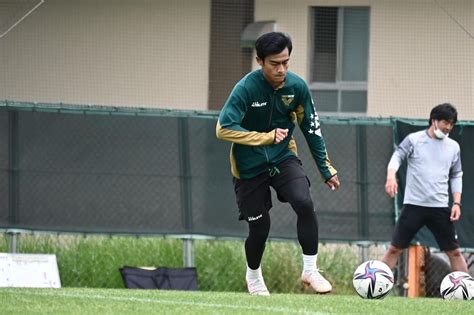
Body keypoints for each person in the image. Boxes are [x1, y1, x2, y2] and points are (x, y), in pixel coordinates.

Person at [216, 32, 340, 296]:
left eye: (286, 62)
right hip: (248, 167)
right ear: (260, 61)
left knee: (304, 202)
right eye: (275, 63)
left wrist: (325, 168)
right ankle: (254, 276)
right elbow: (223, 129)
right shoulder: (245, 89)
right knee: (260, 227)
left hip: (284, 157)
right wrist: (264, 138)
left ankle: (310, 269)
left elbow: (311, 128)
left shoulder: (297, 87)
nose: (281, 69)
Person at [382, 103, 468, 273]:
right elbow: (397, 157)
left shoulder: (453, 147)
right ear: (434, 120)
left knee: (455, 252)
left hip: (440, 208)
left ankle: (466, 292)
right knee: (394, 249)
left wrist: (456, 203)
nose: (448, 127)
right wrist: (391, 176)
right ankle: (373, 286)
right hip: (413, 206)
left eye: (451, 124)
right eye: (446, 122)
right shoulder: (414, 139)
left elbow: (457, 175)